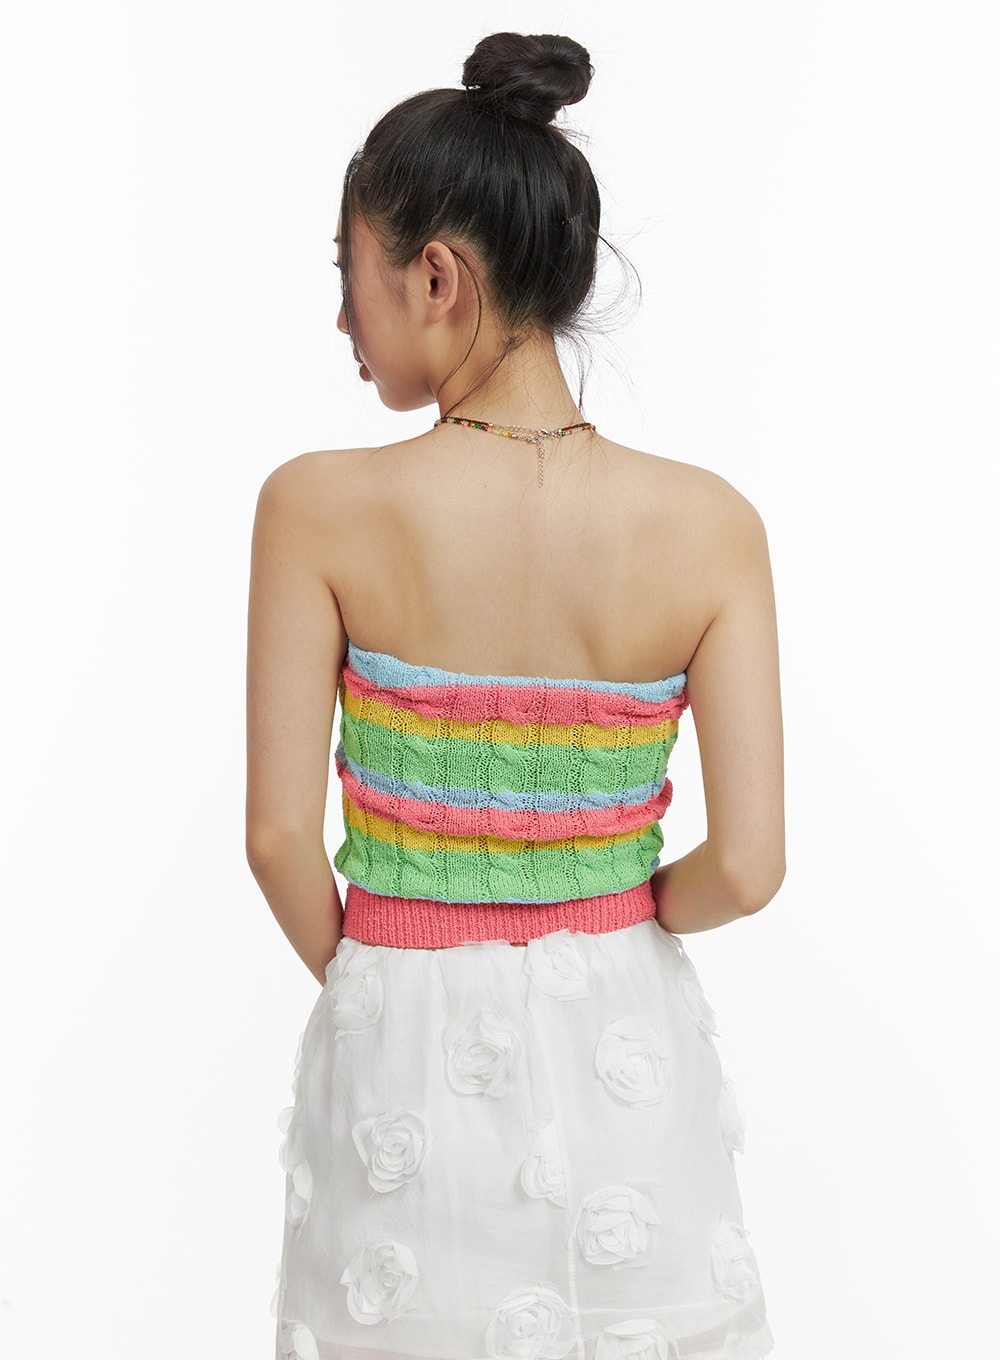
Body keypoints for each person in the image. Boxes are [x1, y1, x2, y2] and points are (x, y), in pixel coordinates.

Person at [246, 30, 783, 1360]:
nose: (341, 318)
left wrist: (388, 970)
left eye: (348, 274)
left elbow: (276, 837)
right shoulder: (711, 526)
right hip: (626, 1056)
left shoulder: (317, 508)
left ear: (435, 276)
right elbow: (752, 865)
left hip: (399, 1056)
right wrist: (609, 923)